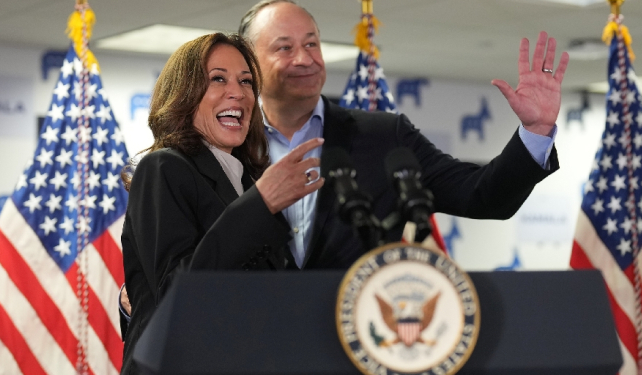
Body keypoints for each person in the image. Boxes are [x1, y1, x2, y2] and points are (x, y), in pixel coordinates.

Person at [237, 0, 569, 269]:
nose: (305, 58)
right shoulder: (225, 143)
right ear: (250, 62)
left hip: (357, 333)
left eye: (311, 43)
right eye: (284, 48)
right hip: (253, 334)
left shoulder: (383, 136)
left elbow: (481, 195)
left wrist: (536, 131)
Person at [119, 32, 323, 375]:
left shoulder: (247, 185)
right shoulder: (165, 167)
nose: (238, 93)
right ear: (184, 95)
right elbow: (178, 294)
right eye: (218, 79)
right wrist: (260, 204)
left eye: (246, 82)